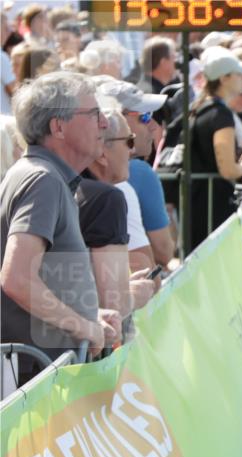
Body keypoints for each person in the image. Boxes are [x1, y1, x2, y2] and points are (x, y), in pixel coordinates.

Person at [0, 72, 119, 383]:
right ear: (58, 127)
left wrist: (87, 316)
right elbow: (16, 278)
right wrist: (83, 326)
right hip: (35, 379)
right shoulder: (43, 180)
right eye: (94, 113)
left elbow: (41, 279)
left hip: (38, 372)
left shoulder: (42, 175)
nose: (104, 123)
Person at [77, 109, 156, 318]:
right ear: (103, 153)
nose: (132, 150)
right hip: (79, 332)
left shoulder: (60, 183)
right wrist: (134, 296)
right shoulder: (107, 198)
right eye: (129, 141)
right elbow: (115, 303)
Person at [188, 45, 242, 248]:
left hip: (200, 203)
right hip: (213, 207)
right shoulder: (220, 114)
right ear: (224, 78)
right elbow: (228, 170)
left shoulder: (201, 107)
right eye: (238, 74)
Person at [98, 79, 176, 267]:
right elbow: (164, 252)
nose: (153, 126)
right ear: (116, 119)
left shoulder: (76, 167)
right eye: (145, 117)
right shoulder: (139, 173)